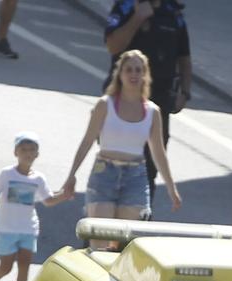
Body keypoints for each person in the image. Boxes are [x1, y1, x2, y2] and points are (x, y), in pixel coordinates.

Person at [63, 49, 182, 231]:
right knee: (101, 236)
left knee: (125, 239)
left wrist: (171, 188)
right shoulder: (105, 105)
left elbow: (158, 152)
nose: (133, 74)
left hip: (135, 177)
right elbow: (87, 141)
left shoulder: (152, 112)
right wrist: (71, 176)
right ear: (120, 74)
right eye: (128, 69)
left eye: (138, 70)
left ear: (145, 74)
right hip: (105, 173)